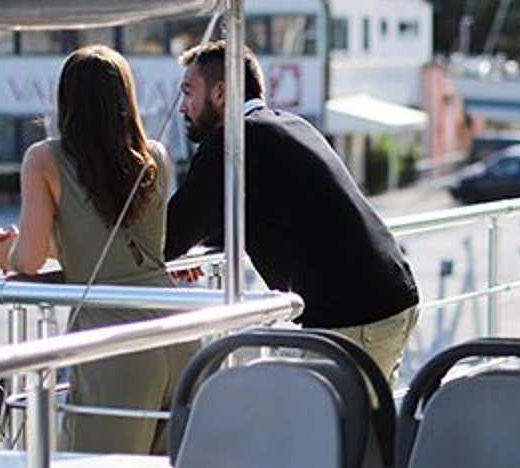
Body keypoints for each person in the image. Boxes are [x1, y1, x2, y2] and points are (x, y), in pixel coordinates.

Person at [0, 45, 192, 455]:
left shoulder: (44, 159)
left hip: (113, 342)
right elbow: (123, 245)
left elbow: (30, 260)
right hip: (178, 334)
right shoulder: (156, 157)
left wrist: (6, 253)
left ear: (67, 100)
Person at [165, 41, 420, 383]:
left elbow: (169, 234)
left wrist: (174, 249)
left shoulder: (234, 140)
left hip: (354, 315)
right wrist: (194, 247)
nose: (183, 107)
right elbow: (248, 213)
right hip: (388, 296)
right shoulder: (288, 125)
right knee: (362, 428)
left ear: (221, 92)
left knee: (328, 432)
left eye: (188, 91)